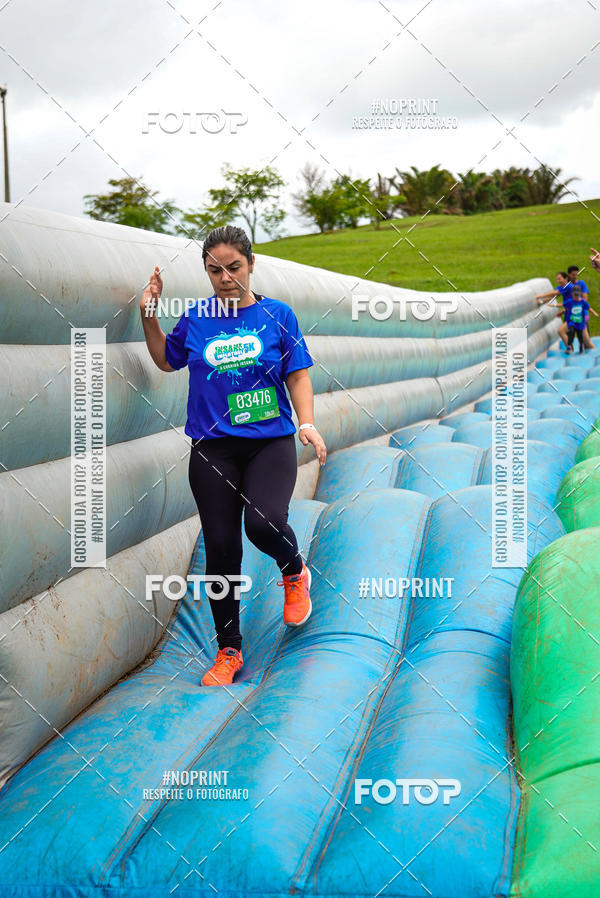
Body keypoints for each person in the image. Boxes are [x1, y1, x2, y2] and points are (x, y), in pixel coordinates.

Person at [139, 225, 327, 687]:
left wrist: (306, 422)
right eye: (215, 270)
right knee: (221, 549)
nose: (225, 278)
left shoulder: (277, 315)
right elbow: (166, 359)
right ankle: (229, 650)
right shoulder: (197, 317)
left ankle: (294, 570)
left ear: (251, 263)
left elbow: (298, 374)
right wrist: (149, 314)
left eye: (234, 267)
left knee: (263, 523)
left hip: (269, 441)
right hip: (212, 448)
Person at [536, 271, 572, 348]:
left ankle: (570, 349)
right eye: (557, 279)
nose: (558, 281)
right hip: (569, 312)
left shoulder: (568, 286)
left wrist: (540, 296)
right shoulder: (562, 287)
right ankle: (571, 348)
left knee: (562, 331)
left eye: (560, 279)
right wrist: (541, 301)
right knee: (569, 333)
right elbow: (552, 296)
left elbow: (555, 293)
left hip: (575, 314)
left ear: (566, 278)